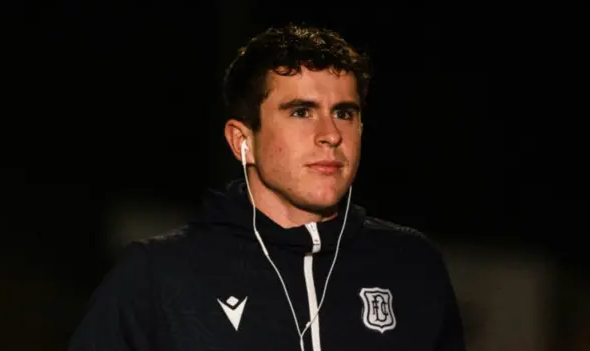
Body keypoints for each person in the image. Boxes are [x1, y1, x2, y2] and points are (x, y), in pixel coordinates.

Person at [68, 23, 467, 351]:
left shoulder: (411, 265)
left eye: (344, 113)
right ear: (243, 141)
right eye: (301, 112)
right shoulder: (158, 276)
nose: (330, 134)